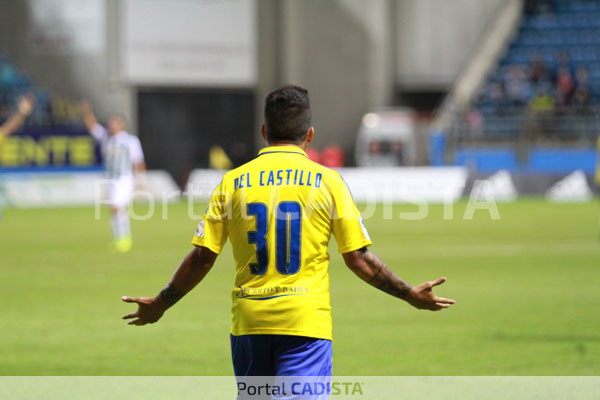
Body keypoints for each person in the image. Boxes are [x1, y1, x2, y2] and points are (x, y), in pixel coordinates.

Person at [121, 86, 455, 387]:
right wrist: (409, 293)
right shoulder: (328, 183)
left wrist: (160, 304)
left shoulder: (232, 183)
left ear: (264, 132)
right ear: (310, 135)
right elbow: (359, 259)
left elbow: (202, 258)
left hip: (250, 325)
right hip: (304, 324)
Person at [81, 100, 146, 253]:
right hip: (110, 179)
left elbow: (138, 160)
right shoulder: (106, 138)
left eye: (114, 123)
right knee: (113, 208)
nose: (111, 126)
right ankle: (119, 237)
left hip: (124, 178)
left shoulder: (130, 141)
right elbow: (91, 126)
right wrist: (86, 111)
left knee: (117, 205)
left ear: (121, 125)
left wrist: (141, 179)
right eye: (110, 123)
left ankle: (125, 238)